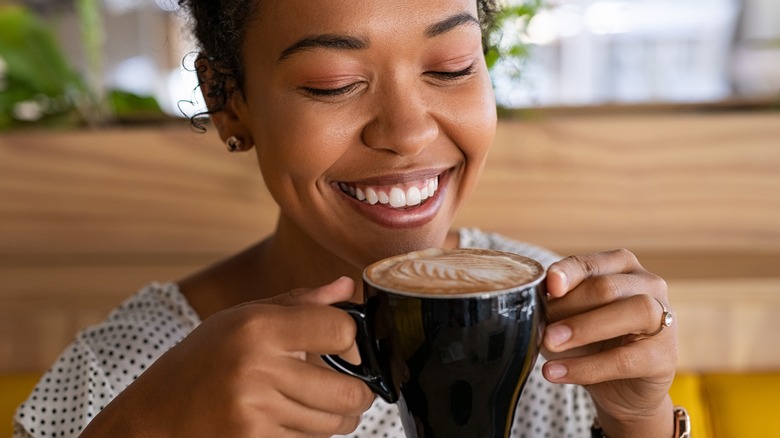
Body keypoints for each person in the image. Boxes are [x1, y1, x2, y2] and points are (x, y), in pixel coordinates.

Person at [13, 0, 681, 436]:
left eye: (450, 68)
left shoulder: (556, 332)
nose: (409, 131)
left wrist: (640, 420)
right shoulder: (122, 371)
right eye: (333, 83)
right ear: (228, 102)